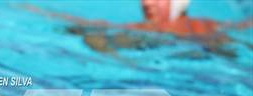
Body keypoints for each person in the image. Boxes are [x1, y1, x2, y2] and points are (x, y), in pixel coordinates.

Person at [23, 0, 252, 58]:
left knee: (97, 40)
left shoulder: (158, 28)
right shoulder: (212, 25)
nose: (146, 3)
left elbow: (98, 29)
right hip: (218, 54)